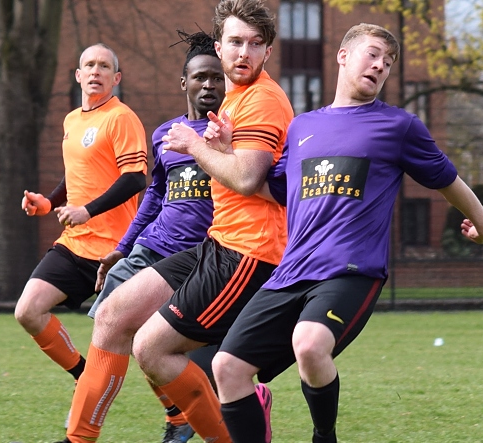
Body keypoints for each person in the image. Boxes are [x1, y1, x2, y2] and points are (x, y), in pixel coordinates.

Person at [212, 23, 483, 443]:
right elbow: (279, 190)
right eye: (374, 54)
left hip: (350, 271)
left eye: (388, 62)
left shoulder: (399, 126)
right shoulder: (302, 127)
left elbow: (445, 179)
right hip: (291, 273)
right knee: (227, 368)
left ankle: (324, 436)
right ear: (343, 56)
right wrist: (223, 152)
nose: (381, 66)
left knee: (309, 345)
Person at [56, 1, 292, 440]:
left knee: (153, 349)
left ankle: (235, 413)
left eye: (255, 44)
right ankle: (78, 438)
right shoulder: (232, 100)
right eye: (236, 43)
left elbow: (247, 178)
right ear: (221, 47)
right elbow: (158, 195)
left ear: (268, 52)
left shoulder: (261, 99)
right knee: (111, 315)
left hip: (248, 254)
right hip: (214, 246)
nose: (244, 53)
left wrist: (198, 146)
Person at [86, 30, 225, 443]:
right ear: (184, 82)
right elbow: (154, 197)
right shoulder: (166, 133)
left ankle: (187, 413)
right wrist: (122, 248)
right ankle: (91, 414)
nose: (209, 85)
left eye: (217, 78)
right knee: (111, 328)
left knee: (166, 349)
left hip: (200, 259)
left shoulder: (234, 134)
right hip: (150, 249)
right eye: (200, 77)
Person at [15, 42, 147, 422]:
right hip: (73, 246)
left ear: (116, 78)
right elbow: (77, 174)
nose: (95, 71)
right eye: (89, 65)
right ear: (77, 75)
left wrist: (87, 210)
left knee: (144, 345)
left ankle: (177, 411)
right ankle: (81, 373)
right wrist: (49, 201)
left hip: (114, 253)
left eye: (104, 66)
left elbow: (135, 178)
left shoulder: (121, 118)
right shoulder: (72, 120)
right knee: (28, 311)